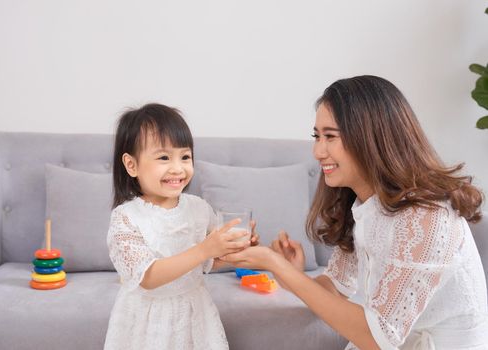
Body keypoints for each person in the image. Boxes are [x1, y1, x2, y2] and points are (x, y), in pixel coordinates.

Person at [222, 75, 488, 349]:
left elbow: (378, 336)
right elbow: (334, 289)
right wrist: (291, 273)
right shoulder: (366, 207)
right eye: (316, 136)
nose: (317, 151)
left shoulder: (427, 216)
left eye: (330, 137)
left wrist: (274, 264)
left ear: (369, 137)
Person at [104, 103, 258, 350]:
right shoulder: (126, 217)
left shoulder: (197, 208)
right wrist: (204, 250)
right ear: (131, 165)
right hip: (148, 319)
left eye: (185, 157)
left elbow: (208, 261)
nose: (178, 168)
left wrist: (231, 250)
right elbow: (148, 277)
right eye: (164, 157)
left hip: (194, 310)